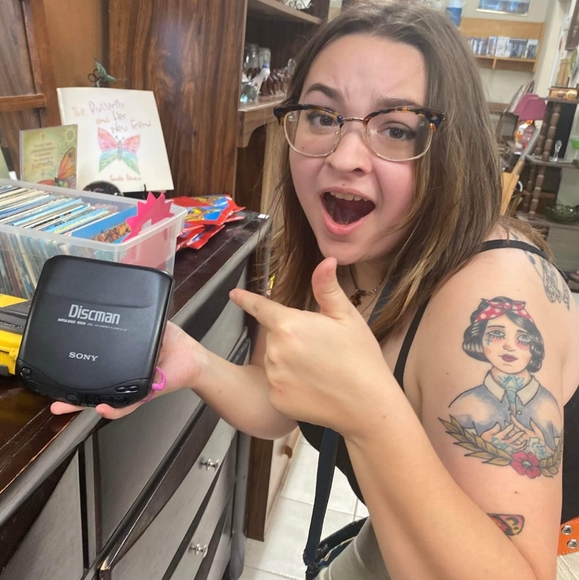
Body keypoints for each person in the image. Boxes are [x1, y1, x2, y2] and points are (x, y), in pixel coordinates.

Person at [53, 1, 579, 578]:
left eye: (397, 129)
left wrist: (368, 410)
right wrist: (197, 364)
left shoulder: (492, 294)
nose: (345, 157)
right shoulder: (334, 257)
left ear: (453, 149)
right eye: (324, 117)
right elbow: (276, 403)